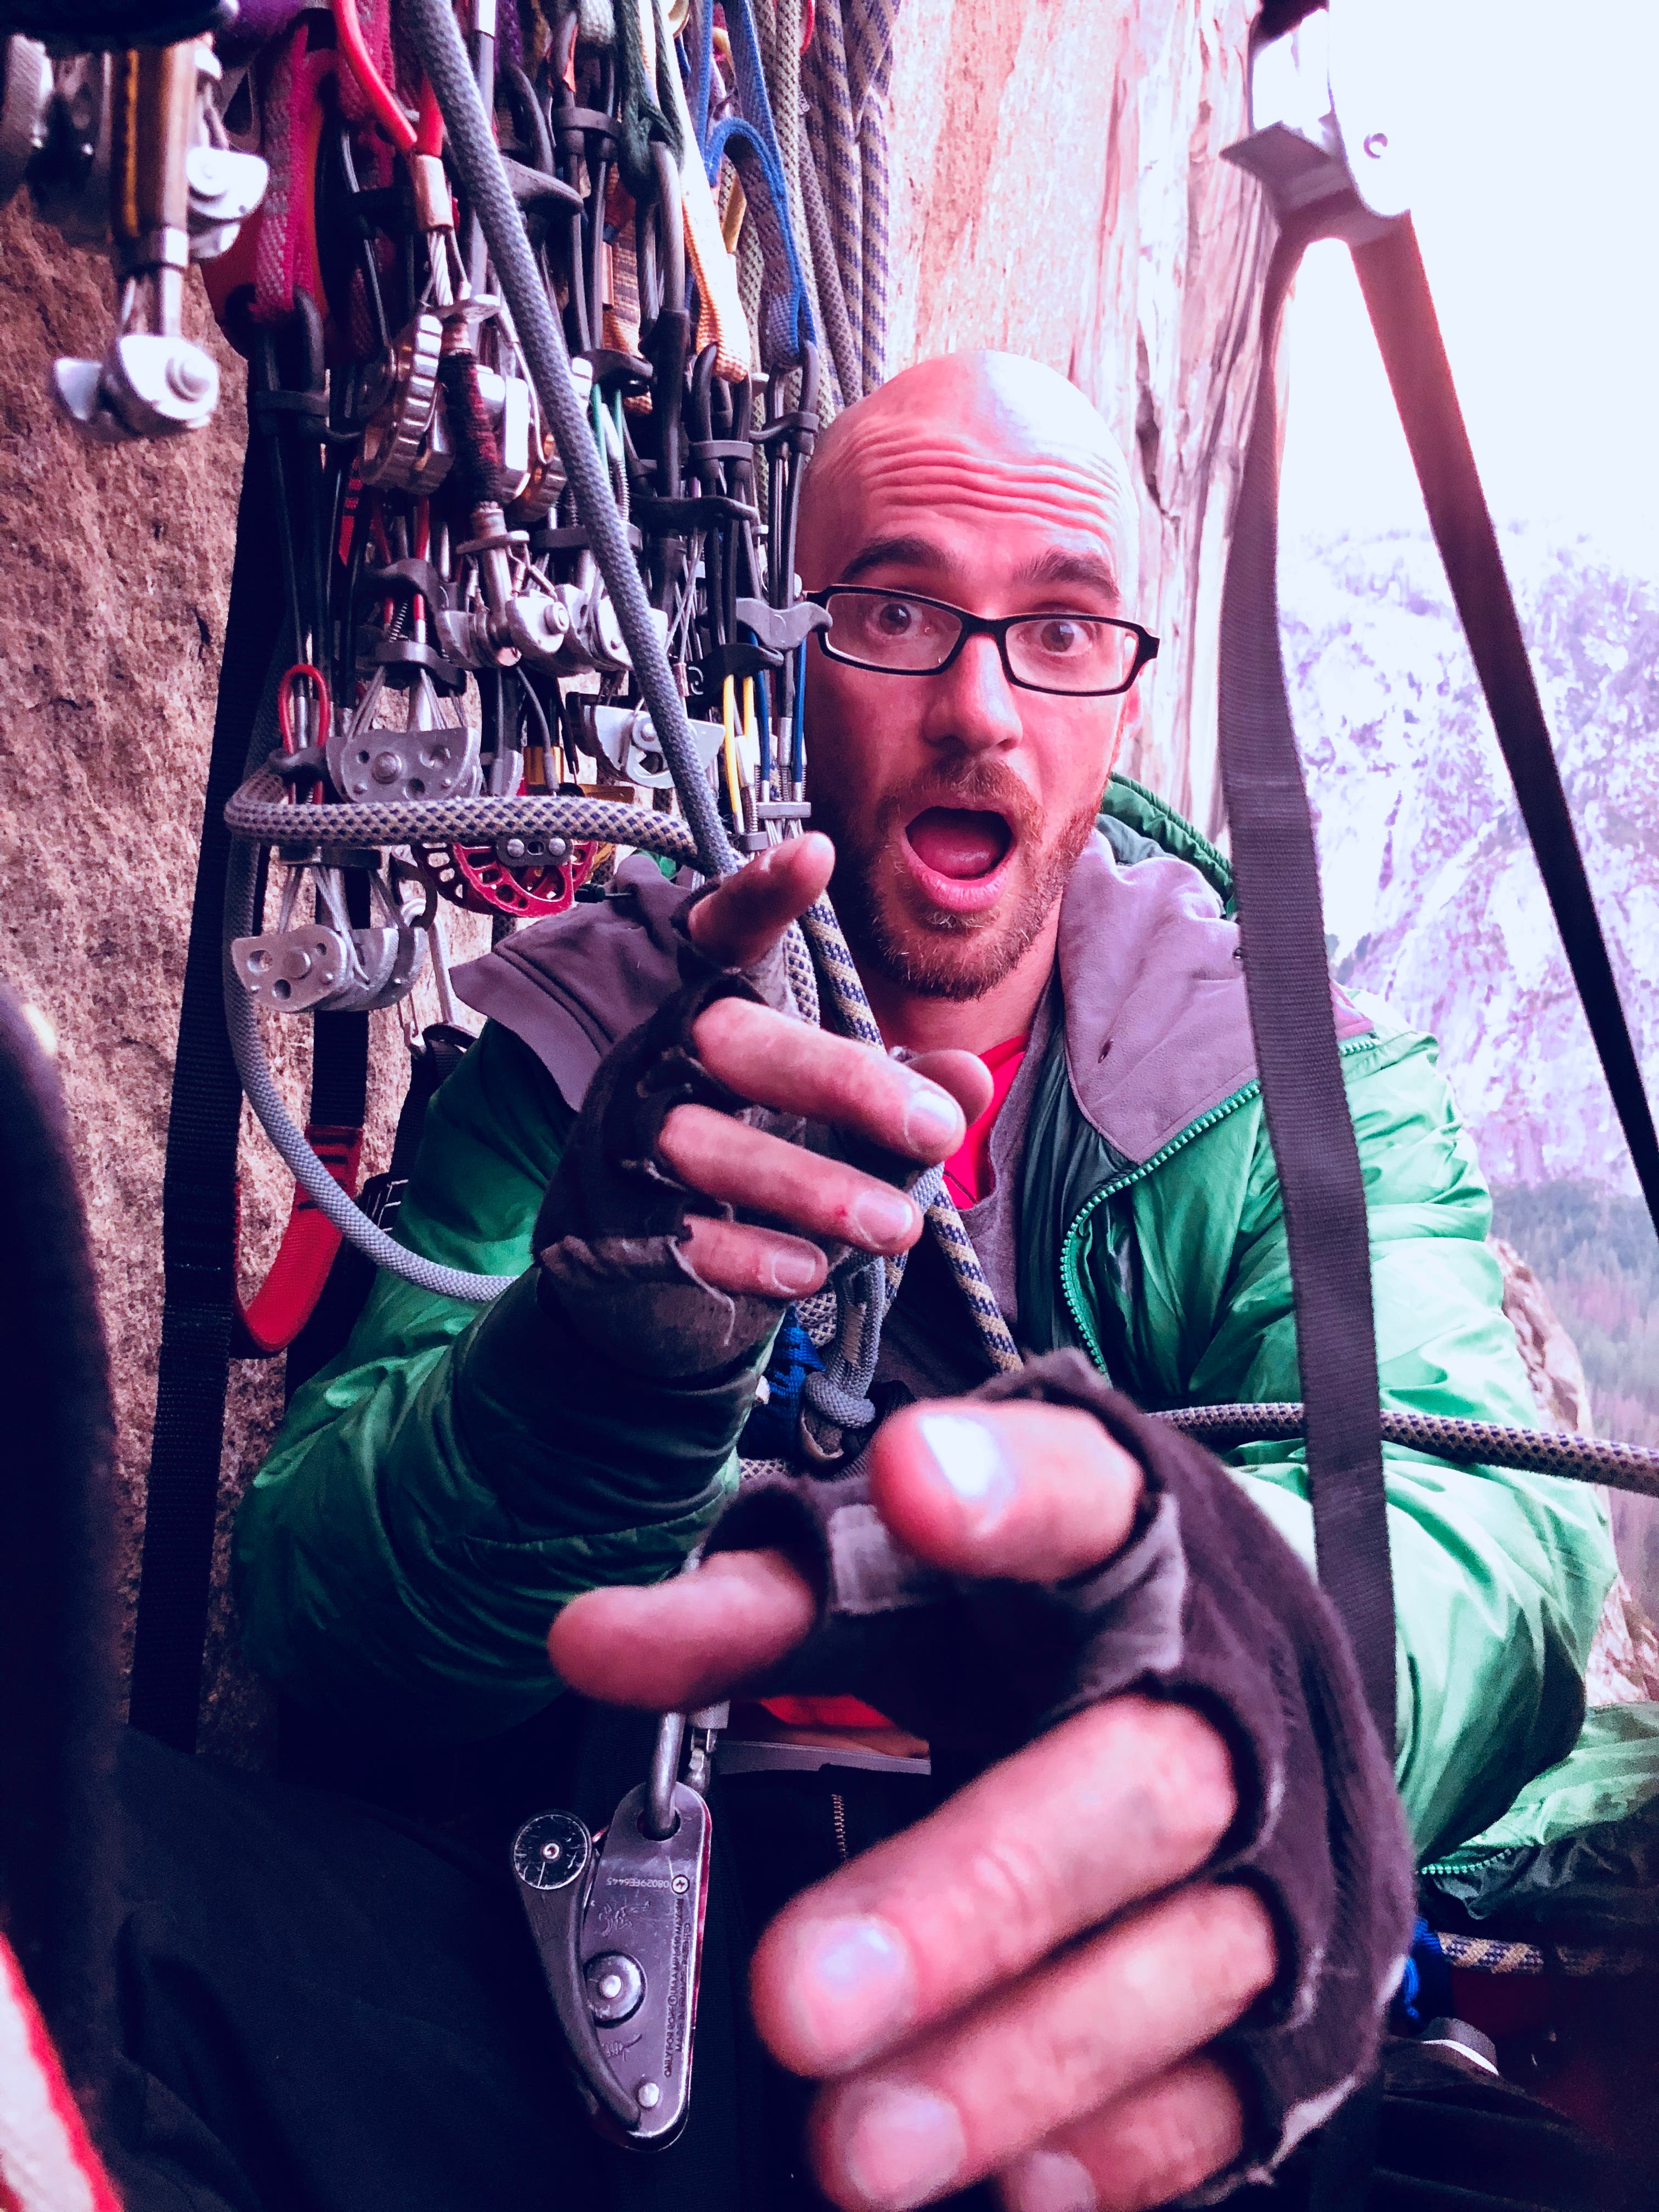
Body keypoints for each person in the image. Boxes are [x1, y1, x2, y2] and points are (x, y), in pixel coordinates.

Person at [116, 352, 1616, 2212]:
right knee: (86, 1900)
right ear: (793, 661)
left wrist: (1237, 1636)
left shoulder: (1281, 1085)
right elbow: (324, 1608)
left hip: (1105, 1997)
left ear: (1122, 703)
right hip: (567, 1938)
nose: (983, 707)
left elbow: (1491, 1540)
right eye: (901, 612)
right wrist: (584, 1385)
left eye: (1062, 632)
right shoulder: (584, 1044)